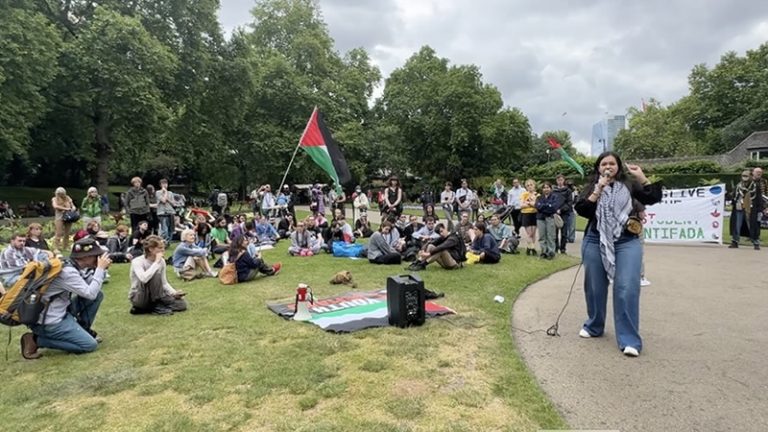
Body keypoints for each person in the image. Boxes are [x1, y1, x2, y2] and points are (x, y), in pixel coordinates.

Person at [574, 151, 662, 357]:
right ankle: (594, 325)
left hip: (626, 240)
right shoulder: (592, 186)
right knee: (595, 285)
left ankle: (629, 339)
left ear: (618, 166)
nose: (608, 167)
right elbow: (583, 210)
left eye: (612, 163)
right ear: (598, 168)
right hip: (596, 239)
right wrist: (597, 191)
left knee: (626, 286)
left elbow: (653, 197)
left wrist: (641, 177)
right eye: (604, 163)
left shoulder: (630, 184)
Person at [20, 238, 111, 359]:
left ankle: (82, 329)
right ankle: (36, 340)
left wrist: (100, 269)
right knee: (89, 345)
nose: (99, 258)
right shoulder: (68, 272)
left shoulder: (70, 264)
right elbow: (90, 293)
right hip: (50, 321)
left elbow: (89, 287)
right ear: (85, 257)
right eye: (96, 255)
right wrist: (100, 269)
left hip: (58, 310)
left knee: (98, 295)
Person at [129, 235, 187, 315]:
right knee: (155, 275)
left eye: (163, 247)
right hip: (140, 295)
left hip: (158, 295)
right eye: (160, 248)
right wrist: (156, 262)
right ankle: (151, 306)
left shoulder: (162, 262)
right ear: (151, 249)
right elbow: (144, 278)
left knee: (181, 305)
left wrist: (174, 293)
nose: (163, 250)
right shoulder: (137, 261)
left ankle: (147, 308)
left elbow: (164, 283)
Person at [535, 182, 564, 260]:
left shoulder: (555, 197)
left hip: (550, 218)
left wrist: (544, 207)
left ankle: (551, 252)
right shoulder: (539, 197)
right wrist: (547, 206)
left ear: (551, 188)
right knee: (542, 236)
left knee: (551, 236)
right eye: (544, 187)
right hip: (540, 218)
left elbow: (554, 208)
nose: (546, 189)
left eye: (547, 187)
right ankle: (543, 252)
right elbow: (537, 206)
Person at [729, 169, 756, 249]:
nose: (744, 177)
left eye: (746, 175)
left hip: (750, 207)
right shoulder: (739, 185)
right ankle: (735, 241)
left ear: (750, 176)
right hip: (739, 206)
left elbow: (756, 197)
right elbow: (734, 195)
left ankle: (755, 241)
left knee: (751, 224)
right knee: (737, 224)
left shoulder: (754, 186)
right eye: (743, 175)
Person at [51, 187, 76, 254]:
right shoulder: (54, 199)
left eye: (62, 193)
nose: (61, 195)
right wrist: (66, 208)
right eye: (59, 193)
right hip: (59, 217)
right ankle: (56, 247)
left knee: (67, 233)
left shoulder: (68, 198)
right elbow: (55, 206)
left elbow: (73, 205)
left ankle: (65, 246)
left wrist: (72, 208)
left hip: (68, 217)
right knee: (58, 233)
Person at [553, 174, 574, 254]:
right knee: (555, 232)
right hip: (555, 213)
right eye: (558, 180)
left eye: (561, 180)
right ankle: (555, 247)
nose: (560, 182)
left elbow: (569, 203)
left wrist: (561, 210)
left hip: (564, 213)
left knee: (564, 232)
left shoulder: (568, 191)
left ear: (564, 180)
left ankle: (563, 248)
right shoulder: (554, 191)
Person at [520, 179, 539, 256]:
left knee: (534, 233)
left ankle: (530, 247)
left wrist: (528, 203)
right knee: (529, 233)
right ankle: (532, 248)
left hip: (534, 214)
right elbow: (521, 205)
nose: (530, 187)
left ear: (534, 185)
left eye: (531, 185)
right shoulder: (524, 194)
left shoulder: (537, 195)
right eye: (528, 185)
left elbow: (537, 204)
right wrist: (530, 204)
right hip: (526, 214)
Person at [749, 167, 766, 250]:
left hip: (760, 206)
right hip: (750, 205)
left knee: (758, 222)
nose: (759, 173)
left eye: (760, 172)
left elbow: (765, 193)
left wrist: (765, 207)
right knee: (750, 222)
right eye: (757, 172)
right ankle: (751, 236)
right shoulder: (749, 182)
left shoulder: (764, 182)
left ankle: (756, 238)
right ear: (753, 173)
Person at [156, 179, 176, 245]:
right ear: (160, 185)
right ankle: (164, 241)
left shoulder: (170, 193)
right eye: (163, 184)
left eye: (166, 184)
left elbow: (174, 203)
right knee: (165, 229)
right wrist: (165, 193)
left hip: (170, 212)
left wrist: (168, 198)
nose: (165, 185)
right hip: (162, 213)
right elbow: (163, 200)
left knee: (171, 229)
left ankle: (168, 242)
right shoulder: (158, 192)